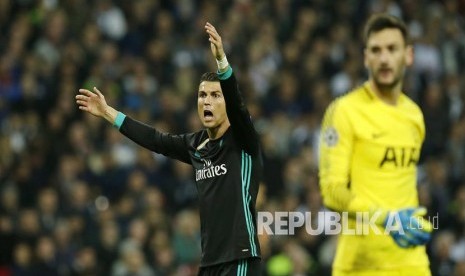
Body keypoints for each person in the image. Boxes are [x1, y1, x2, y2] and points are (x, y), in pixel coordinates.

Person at [75, 22, 262, 275]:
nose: (206, 101)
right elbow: (155, 140)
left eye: (215, 96)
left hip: (240, 257)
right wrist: (109, 113)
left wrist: (221, 61)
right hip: (209, 261)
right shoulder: (196, 144)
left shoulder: (242, 139)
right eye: (202, 95)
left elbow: (239, 107)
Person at [318, 14, 433, 275]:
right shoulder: (344, 111)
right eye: (376, 50)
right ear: (365, 57)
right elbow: (331, 190)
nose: (384, 58)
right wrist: (385, 219)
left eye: (392, 49)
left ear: (409, 55)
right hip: (360, 264)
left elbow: (401, 181)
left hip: (411, 261)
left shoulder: (414, 115)